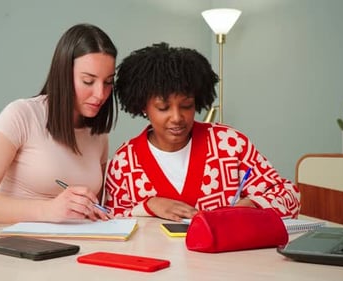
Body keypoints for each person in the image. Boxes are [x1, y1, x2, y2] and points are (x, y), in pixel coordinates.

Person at [105, 42, 300, 222]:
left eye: (186, 105)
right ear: (143, 107)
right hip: (155, 259)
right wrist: (148, 206)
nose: (177, 117)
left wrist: (253, 205)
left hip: (227, 259)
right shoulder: (125, 162)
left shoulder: (229, 144)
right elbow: (111, 219)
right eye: (163, 108)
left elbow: (289, 196)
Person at [0, 23, 117, 230]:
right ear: (63, 74)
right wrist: (49, 210)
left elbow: (93, 208)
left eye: (108, 82)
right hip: (8, 249)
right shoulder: (22, 115)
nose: (100, 94)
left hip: (67, 250)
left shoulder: (98, 135)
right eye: (88, 81)